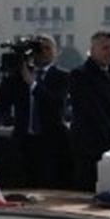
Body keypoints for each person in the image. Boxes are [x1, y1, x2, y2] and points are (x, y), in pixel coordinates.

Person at [67, 31, 110, 191]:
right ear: (93, 50)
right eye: (105, 48)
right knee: (89, 193)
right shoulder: (80, 75)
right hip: (91, 150)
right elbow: (93, 110)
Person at [22, 36, 72, 188]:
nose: (43, 52)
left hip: (51, 140)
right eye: (39, 49)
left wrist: (33, 84)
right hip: (25, 140)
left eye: (47, 48)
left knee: (50, 183)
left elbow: (56, 103)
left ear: (55, 52)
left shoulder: (63, 76)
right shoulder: (21, 75)